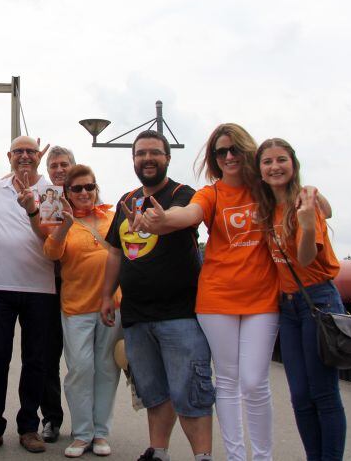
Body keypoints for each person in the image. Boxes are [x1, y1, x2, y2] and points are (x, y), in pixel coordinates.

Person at [139, 123, 279, 461]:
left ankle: (263, 457)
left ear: (248, 151)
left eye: (235, 149)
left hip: (262, 299)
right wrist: (164, 218)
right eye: (221, 152)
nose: (228, 156)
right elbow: (189, 214)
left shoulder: (265, 190)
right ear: (214, 158)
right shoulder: (211, 193)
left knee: (255, 382)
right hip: (217, 300)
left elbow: (310, 203)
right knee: (227, 381)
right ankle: (235, 456)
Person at [101, 130, 213, 461]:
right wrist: (107, 295)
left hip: (180, 314)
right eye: (141, 153)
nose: (147, 158)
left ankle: (203, 457)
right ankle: (158, 452)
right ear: (133, 159)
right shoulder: (127, 200)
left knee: (190, 393)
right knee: (154, 393)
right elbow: (115, 253)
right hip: (137, 315)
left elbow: (177, 220)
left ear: (167, 158)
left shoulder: (182, 194)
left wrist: (158, 220)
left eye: (154, 153)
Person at [254, 138, 345, 460]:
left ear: (293, 164)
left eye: (281, 159)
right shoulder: (268, 209)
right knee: (300, 396)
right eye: (267, 161)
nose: (275, 167)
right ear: (259, 170)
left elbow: (306, 259)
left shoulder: (305, 205)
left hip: (318, 301)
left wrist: (306, 225)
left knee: (324, 393)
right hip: (288, 306)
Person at [0, 136, 55, 455]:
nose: (25, 156)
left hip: (40, 288)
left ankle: (29, 427)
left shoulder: (51, 191)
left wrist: (32, 208)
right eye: (19, 151)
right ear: (8, 155)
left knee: (35, 361)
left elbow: (51, 239)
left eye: (30, 151)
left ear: (39, 156)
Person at [44, 164, 120, 458]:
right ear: (67, 193)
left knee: (106, 369)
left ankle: (100, 433)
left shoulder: (111, 217)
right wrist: (65, 224)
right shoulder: (61, 221)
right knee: (80, 369)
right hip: (77, 307)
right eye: (77, 188)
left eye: (89, 186)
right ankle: (82, 433)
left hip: (112, 305)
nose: (84, 192)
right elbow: (51, 253)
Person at [39, 146, 75, 443]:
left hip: (80, 287)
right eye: (54, 166)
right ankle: (51, 417)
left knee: (82, 359)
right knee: (47, 357)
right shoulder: (43, 199)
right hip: (49, 285)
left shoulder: (87, 195)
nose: (60, 170)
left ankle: (86, 421)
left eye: (64, 164)